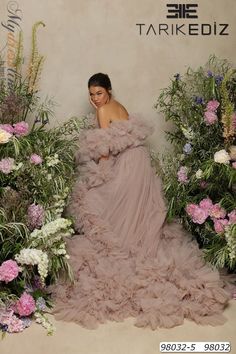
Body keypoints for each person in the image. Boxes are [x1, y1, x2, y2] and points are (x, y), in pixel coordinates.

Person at [52, 73, 231, 330]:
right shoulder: (117, 106)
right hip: (141, 163)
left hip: (127, 166)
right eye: (91, 94)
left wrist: (95, 178)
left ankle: (121, 252)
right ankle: (130, 247)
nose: (95, 98)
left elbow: (104, 153)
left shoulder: (103, 112)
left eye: (99, 93)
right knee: (133, 214)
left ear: (109, 91)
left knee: (95, 200)